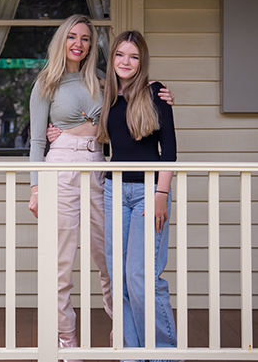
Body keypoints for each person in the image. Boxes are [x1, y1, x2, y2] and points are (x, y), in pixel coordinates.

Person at [27, 15, 173, 352]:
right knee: (61, 261)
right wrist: (35, 187)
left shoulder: (102, 81)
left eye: (86, 39)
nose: (79, 44)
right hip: (60, 166)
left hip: (97, 166)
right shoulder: (45, 83)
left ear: (92, 46)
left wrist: (164, 98)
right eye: (72, 37)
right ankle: (66, 340)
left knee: (108, 257)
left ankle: (121, 330)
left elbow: (131, 110)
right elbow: (37, 141)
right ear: (62, 40)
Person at [99, 30, 177, 355]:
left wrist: (161, 193)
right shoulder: (108, 97)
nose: (126, 62)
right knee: (120, 279)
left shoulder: (156, 92)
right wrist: (54, 131)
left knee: (141, 275)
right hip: (113, 190)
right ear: (112, 59)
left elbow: (169, 150)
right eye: (120, 55)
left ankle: (162, 355)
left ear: (141, 60)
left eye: (133, 56)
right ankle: (133, 355)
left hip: (149, 191)